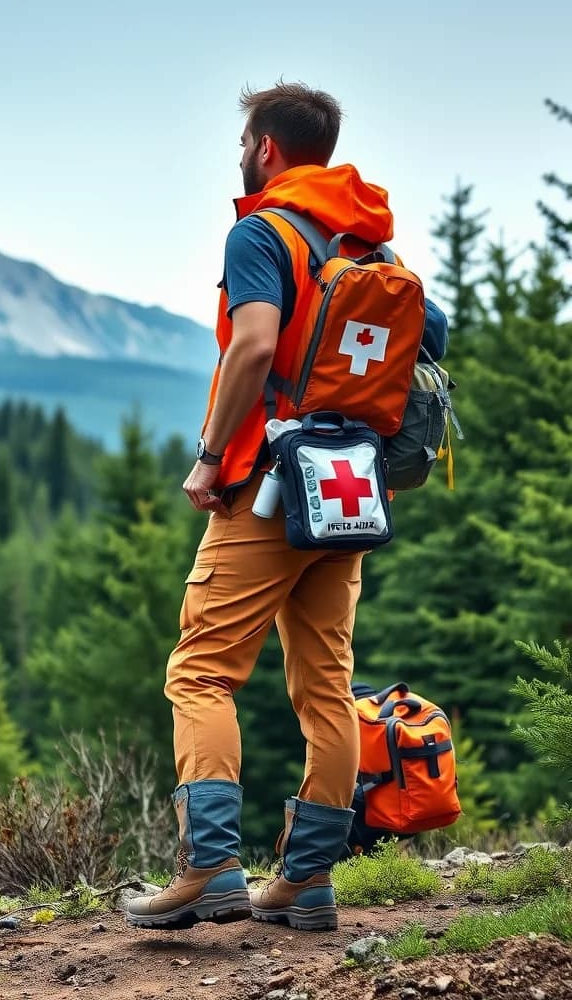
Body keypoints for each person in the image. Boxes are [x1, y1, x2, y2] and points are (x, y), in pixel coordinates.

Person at [125, 81, 448, 933]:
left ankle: (211, 868)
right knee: (326, 687)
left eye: (244, 139)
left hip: (270, 484)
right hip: (352, 486)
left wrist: (206, 458)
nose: (241, 151)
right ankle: (307, 880)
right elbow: (434, 332)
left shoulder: (261, 231)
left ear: (265, 147)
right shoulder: (371, 246)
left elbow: (257, 341)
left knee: (201, 671)